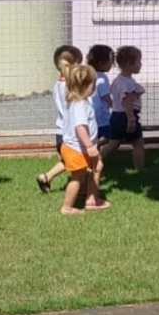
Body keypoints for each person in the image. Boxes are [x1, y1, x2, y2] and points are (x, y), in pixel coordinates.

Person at [57, 64, 108, 217]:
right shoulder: (79, 105)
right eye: (94, 82)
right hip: (77, 148)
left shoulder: (80, 102)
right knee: (77, 178)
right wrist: (90, 145)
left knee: (97, 167)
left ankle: (92, 200)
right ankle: (67, 207)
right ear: (87, 85)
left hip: (80, 147)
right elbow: (80, 127)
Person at [37, 45, 84, 193]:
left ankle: (47, 177)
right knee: (81, 161)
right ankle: (82, 192)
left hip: (60, 131)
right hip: (71, 132)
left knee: (68, 161)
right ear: (75, 64)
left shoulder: (57, 85)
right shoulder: (71, 88)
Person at [103, 45, 146, 173]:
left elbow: (120, 95)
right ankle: (140, 169)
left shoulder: (118, 80)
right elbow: (127, 102)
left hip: (115, 115)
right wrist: (131, 120)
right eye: (139, 61)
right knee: (138, 143)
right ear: (129, 64)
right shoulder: (127, 83)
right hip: (126, 116)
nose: (141, 64)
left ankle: (95, 160)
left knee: (113, 143)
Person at [85, 45, 115, 181]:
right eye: (110, 61)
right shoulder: (102, 78)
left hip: (91, 114)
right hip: (102, 115)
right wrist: (115, 105)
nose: (112, 64)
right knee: (111, 137)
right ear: (101, 63)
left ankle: (94, 153)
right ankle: (97, 156)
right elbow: (105, 96)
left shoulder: (89, 74)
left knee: (97, 136)